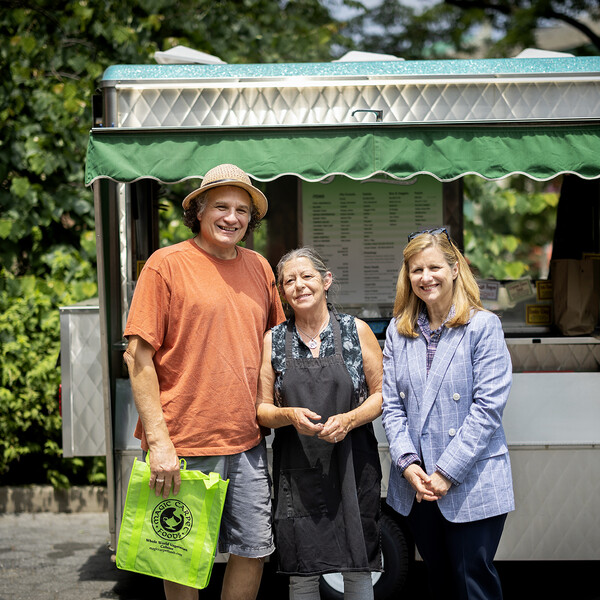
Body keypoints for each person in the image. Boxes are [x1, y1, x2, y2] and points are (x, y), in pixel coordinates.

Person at [123, 163, 285, 600]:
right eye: (221, 206)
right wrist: (159, 443)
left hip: (247, 442)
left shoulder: (260, 268)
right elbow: (138, 358)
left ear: (251, 220)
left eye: (242, 210)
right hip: (183, 444)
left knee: (253, 550)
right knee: (179, 556)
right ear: (198, 210)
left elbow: (277, 346)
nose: (232, 218)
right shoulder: (166, 265)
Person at [382, 227, 514, 600]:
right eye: (416, 270)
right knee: (438, 583)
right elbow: (391, 406)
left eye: (434, 267)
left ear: (455, 269)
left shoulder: (483, 326)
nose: (426, 278)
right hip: (418, 484)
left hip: (469, 479)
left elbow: (487, 410)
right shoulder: (398, 330)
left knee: (474, 584)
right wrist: (409, 465)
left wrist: (446, 473)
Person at [256, 247, 383, 600]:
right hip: (297, 470)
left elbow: (382, 395)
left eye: (307, 276)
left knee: (358, 563)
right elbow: (262, 409)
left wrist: (350, 419)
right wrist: (289, 415)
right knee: (302, 568)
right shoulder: (274, 340)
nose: (299, 286)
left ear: (326, 281)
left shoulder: (355, 331)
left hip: (352, 463)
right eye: (289, 281)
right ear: (282, 291)